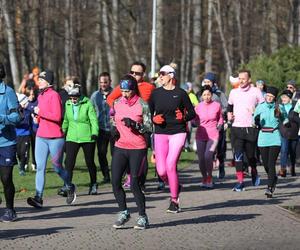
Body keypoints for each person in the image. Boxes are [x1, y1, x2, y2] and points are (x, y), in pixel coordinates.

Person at [148, 64, 195, 213]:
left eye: (162, 74)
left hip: (178, 132)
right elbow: (147, 114)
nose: (160, 77)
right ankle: (175, 186)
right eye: (159, 74)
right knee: (161, 171)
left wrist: (184, 117)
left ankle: (174, 200)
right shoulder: (155, 94)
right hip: (160, 133)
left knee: (170, 165)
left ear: (171, 76)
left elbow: (192, 113)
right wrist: (154, 119)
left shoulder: (181, 93)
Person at [27, 70, 75, 208]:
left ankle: (69, 186)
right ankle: (38, 197)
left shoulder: (54, 95)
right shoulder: (40, 96)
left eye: (41, 80)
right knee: (40, 167)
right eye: (39, 79)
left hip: (55, 138)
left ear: (48, 81)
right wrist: (37, 119)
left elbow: (57, 116)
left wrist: (41, 113)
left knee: (57, 168)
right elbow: (44, 115)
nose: (39, 82)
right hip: (41, 136)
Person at [110, 75, 152, 229]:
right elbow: (113, 118)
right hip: (120, 146)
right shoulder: (117, 103)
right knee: (115, 182)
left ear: (134, 89)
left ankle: (142, 217)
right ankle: (123, 212)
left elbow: (149, 128)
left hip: (137, 148)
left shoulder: (143, 105)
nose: (124, 94)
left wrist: (135, 125)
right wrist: (113, 129)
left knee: (134, 184)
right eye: (122, 91)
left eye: (127, 91)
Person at [107, 62, 155, 190]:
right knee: (123, 155)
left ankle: (140, 183)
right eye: (131, 72)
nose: (133, 75)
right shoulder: (124, 85)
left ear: (143, 74)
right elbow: (110, 99)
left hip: (142, 126)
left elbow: (154, 104)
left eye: (137, 73)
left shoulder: (149, 87)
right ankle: (130, 179)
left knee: (141, 159)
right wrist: (118, 112)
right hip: (125, 128)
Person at [227, 69, 264, 192]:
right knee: (237, 155)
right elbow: (229, 107)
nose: (241, 80)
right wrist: (229, 115)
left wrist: (256, 113)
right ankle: (240, 182)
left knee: (250, 156)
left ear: (249, 80)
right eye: (240, 78)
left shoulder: (256, 91)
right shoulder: (233, 92)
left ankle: (253, 170)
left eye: (244, 78)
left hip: (250, 128)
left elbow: (263, 106)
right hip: (236, 128)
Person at [62, 83, 99, 195]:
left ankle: (93, 184)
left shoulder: (87, 103)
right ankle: (67, 185)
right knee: (69, 162)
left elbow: (93, 120)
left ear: (80, 96)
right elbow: (66, 120)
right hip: (72, 137)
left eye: (75, 98)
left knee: (89, 162)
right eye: (71, 98)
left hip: (87, 137)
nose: (73, 100)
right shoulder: (68, 104)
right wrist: (62, 131)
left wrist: (95, 132)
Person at [0, 63, 21, 222]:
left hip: (6, 142)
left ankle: (10, 209)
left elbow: (16, 118)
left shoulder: (8, 92)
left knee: (6, 178)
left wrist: (2, 119)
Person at [253, 87, 281, 198]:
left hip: (274, 137)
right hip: (263, 138)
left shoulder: (278, 108)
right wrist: (255, 122)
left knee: (271, 163)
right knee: (266, 165)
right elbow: (253, 120)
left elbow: (285, 120)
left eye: (271, 96)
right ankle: (273, 178)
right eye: (267, 96)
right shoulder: (260, 107)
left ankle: (270, 188)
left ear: (274, 98)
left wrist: (287, 122)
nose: (269, 98)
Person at [199, 72, 228, 179]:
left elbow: (226, 107)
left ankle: (221, 167)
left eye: (209, 82)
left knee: (220, 148)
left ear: (213, 83)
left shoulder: (220, 94)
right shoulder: (201, 94)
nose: (206, 83)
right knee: (208, 151)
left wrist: (218, 111)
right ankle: (208, 172)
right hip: (206, 128)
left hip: (218, 125)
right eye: (205, 81)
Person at [194, 85, 223, 188]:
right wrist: (193, 121)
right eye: (204, 95)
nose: (206, 97)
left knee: (208, 156)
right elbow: (195, 120)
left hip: (213, 135)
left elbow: (220, 118)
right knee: (201, 159)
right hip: (201, 134)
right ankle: (204, 177)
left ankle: (210, 177)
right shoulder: (198, 107)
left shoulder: (217, 105)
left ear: (212, 95)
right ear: (201, 96)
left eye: (208, 94)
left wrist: (219, 125)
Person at [90, 72, 114, 184]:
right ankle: (106, 176)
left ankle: (117, 175)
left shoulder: (116, 93)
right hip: (101, 129)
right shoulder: (95, 96)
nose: (103, 84)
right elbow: (90, 111)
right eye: (101, 82)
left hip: (114, 129)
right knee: (101, 153)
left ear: (110, 82)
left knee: (116, 154)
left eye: (105, 82)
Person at [278, 90, 299, 177]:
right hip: (283, 133)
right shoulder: (279, 107)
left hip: (294, 133)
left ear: (290, 99)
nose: (283, 99)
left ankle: (292, 168)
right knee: (284, 151)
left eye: (285, 97)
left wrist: (294, 118)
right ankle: (283, 169)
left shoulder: (296, 107)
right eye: (282, 97)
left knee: (292, 152)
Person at [15, 93, 31, 176]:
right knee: (18, 152)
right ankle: (20, 165)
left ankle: (22, 168)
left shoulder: (28, 111)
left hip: (26, 134)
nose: (26, 104)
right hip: (17, 134)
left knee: (23, 152)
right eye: (24, 103)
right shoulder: (16, 111)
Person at [25, 85, 39, 171]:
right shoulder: (25, 103)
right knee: (26, 148)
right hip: (26, 130)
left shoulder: (37, 102)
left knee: (35, 147)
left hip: (35, 130)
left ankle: (34, 163)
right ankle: (25, 163)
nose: (32, 96)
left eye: (33, 94)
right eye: (30, 95)